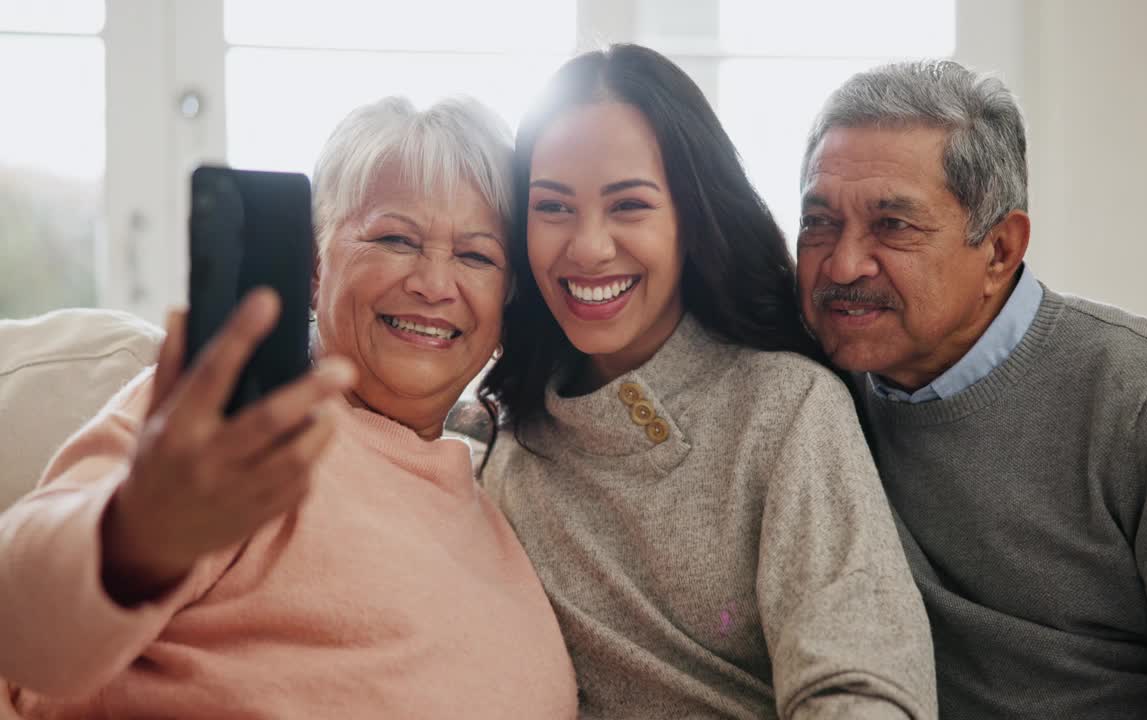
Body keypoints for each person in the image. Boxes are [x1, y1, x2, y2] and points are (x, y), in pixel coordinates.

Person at [0, 96, 577, 719]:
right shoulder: (231, 427)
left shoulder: (496, 506)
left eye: (476, 255)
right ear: (315, 264)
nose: (435, 285)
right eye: (394, 238)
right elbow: (16, 622)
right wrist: (134, 538)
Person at [797, 59, 1147, 719]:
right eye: (819, 222)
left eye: (894, 226)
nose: (843, 263)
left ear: (1000, 249)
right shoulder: (800, 387)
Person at [480, 44, 935, 719]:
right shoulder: (503, 449)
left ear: (690, 220)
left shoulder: (785, 408)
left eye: (629, 205)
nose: (588, 247)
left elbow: (863, 689)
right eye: (553, 208)